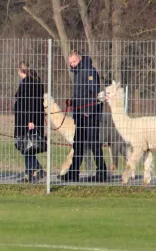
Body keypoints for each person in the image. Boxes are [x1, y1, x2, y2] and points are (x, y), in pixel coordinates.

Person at [58, 50, 108, 182]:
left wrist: (88, 109)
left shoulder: (89, 71)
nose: (72, 65)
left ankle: (102, 173)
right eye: (70, 63)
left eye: (74, 62)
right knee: (78, 143)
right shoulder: (77, 72)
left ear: (79, 59)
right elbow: (81, 93)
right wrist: (73, 101)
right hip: (79, 114)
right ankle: (73, 173)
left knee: (93, 143)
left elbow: (95, 93)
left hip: (90, 114)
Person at [14, 60, 46, 183]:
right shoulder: (35, 81)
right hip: (28, 118)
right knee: (27, 146)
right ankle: (29, 175)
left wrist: (30, 120)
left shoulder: (28, 83)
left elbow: (30, 103)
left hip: (27, 119)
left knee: (25, 145)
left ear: (19, 70)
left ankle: (37, 169)